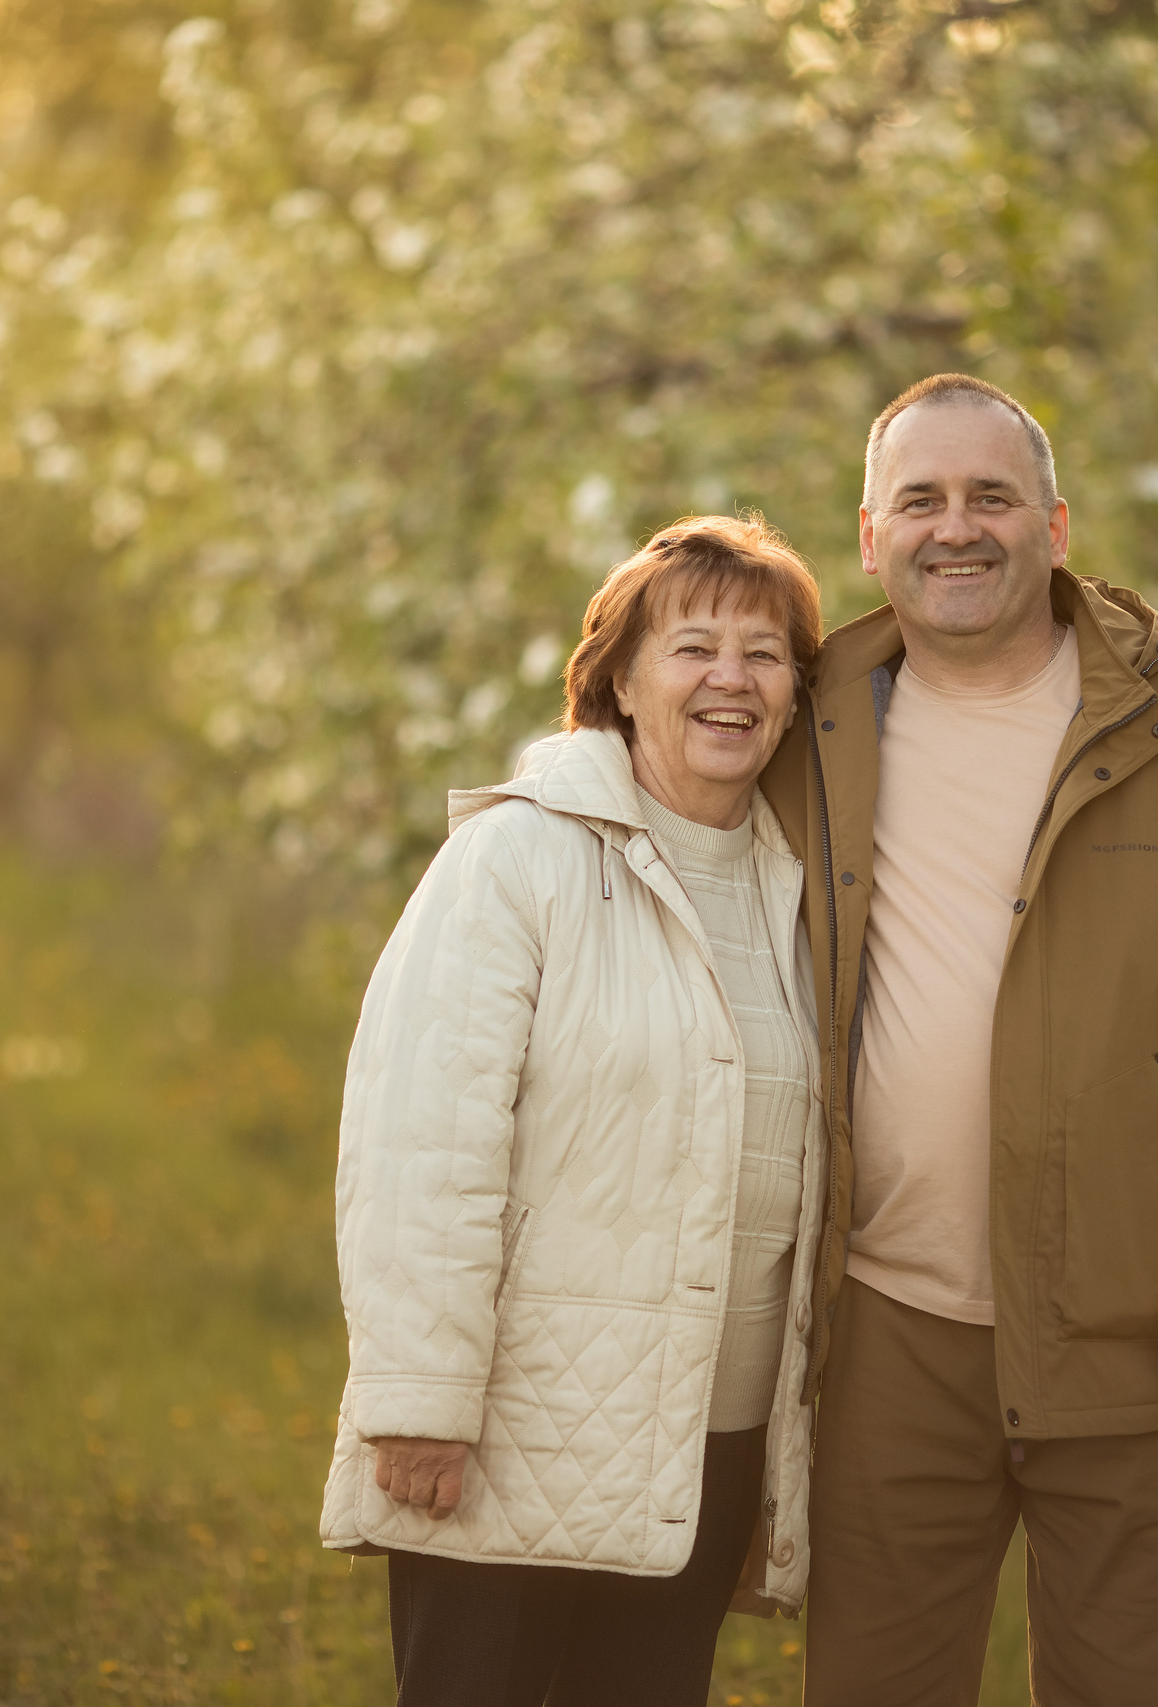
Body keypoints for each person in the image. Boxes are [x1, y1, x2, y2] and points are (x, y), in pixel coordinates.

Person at [754, 375, 1158, 1704]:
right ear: (868, 535)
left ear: (1056, 526)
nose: (955, 528)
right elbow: (649, 764)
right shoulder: (814, 710)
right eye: (922, 499)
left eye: (992, 498)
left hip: (1136, 1318)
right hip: (889, 1328)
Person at [320, 514, 828, 1705]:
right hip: (512, 1427)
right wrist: (419, 1398)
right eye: (693, 646)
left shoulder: (801, 891)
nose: (730, 680)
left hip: (709, 1437)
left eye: (765, 654)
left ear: (798, 696)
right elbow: (420, 1140)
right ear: (618, 680)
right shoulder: (516, 860)